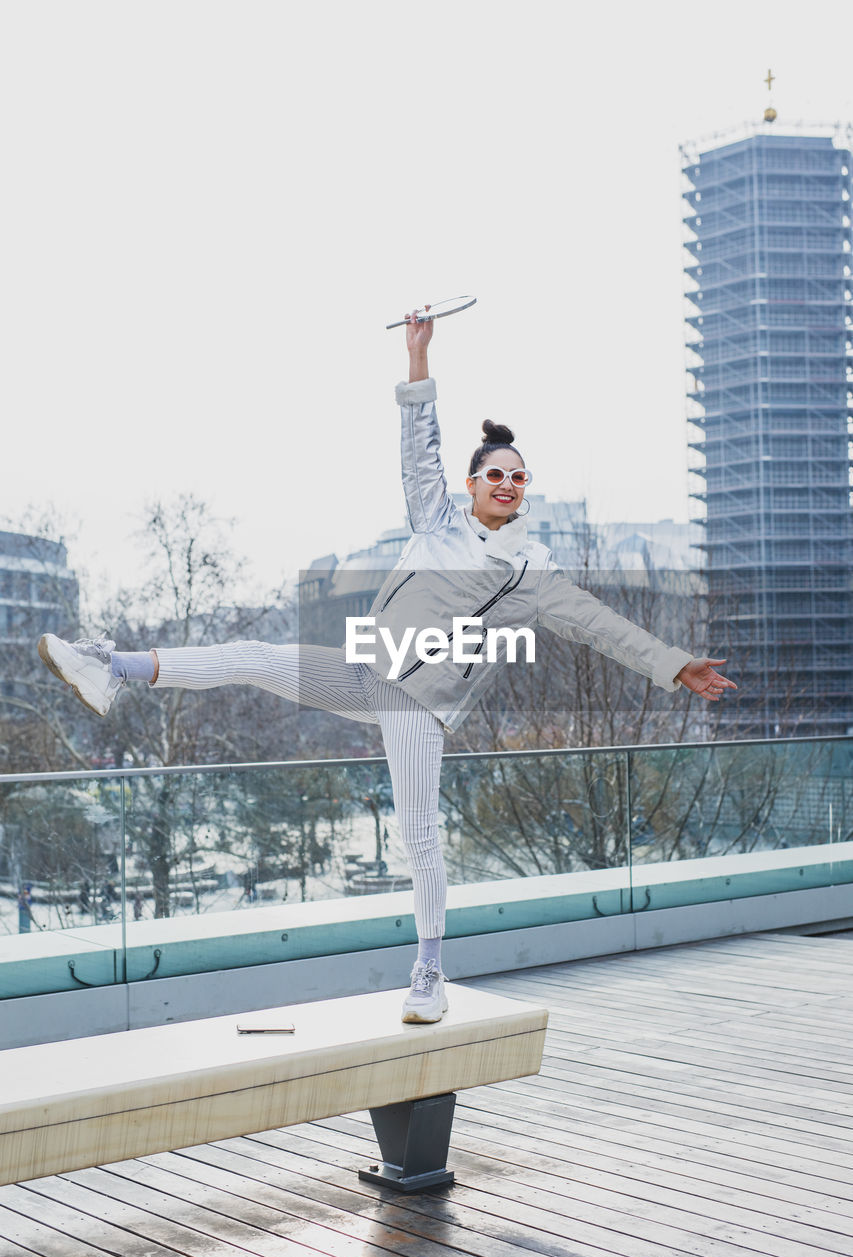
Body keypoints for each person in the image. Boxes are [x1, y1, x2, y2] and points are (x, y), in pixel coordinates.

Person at [38, 308, 736, 1023]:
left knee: (417, 835)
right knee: (253, 656)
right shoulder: (436, 521)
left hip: (418, 702)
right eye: (496, 473)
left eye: (519, 479)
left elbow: (600, 625)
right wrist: (418, 358)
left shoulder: (533, 573)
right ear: (472, 483)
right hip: (368, 671)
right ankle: (109, 666)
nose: (508, 484)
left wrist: (674, 664)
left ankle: (427, 974)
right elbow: (418, 447)